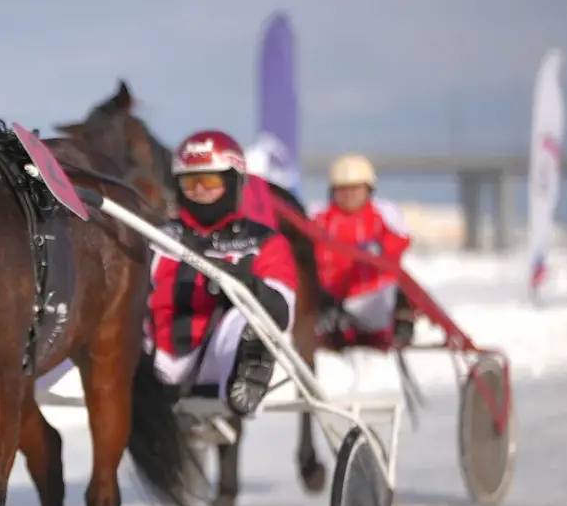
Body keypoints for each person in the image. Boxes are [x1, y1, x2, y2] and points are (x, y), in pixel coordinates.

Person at [146, 130, 297, 416]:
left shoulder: (263, 241)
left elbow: (283, 309)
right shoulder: (156, 237)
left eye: (210, 180)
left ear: (233, 181)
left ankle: (250, 371)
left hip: (217, 359)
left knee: (252, 314)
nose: (200, 190)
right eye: (190, 182)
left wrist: (247, 285)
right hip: (151, 356)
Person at [312, 153, 414, 348]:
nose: (349, 195)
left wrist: (378, 250)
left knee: (400, 289)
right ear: (333, 191)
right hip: (333, 305)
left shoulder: (383, 218)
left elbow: (399, 245)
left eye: (356, 188)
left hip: (374, 302)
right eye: (343, 189)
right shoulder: (319, 221)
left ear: (368, 189)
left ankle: (402, 323)